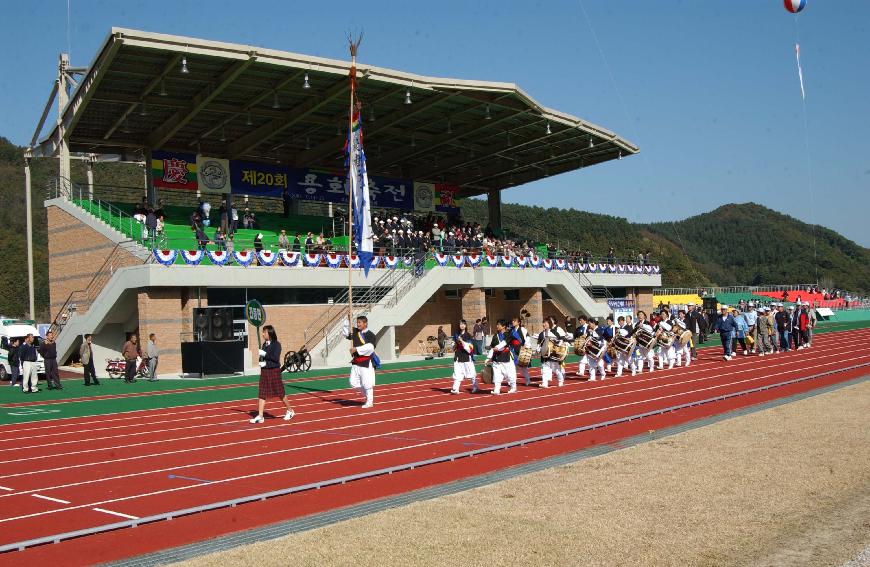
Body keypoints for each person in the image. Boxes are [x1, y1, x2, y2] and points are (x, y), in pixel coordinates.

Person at [250, 325, 295, 423]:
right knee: (262, 392)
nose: (262, 334)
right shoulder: (264, 345)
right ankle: (261, 416)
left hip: (274, 371)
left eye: (264, 332)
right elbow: (263, 358)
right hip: (265, 371)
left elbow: (275, 358)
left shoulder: (277, 345)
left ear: (270, 333)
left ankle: (290, 410)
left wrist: (265, 356)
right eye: (262, 332)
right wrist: (261, 361)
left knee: (280, 393)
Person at [345, 315, 377, 408]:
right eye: (357, 322)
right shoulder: (355, 331)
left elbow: (370, 347)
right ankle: (367, 397)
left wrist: (356, 349)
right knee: (353, 382)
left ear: (365, 323)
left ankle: (369, 402)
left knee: (367, 383)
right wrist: (348, 319)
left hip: (365, 362)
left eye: (360, 322)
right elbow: (346, 332)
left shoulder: (371, 335)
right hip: (356, 362)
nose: (358, 324)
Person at [486, 320, 516, 395]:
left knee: (509, 374)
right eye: (497, 324)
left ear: (503, 326)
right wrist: (488, 357)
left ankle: (513, 387)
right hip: (496, 358)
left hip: (506, 357)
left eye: (499, 325)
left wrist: (498, 347)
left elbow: (505, 343)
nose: (497, 326)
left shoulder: (508, 334)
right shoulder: (495, 336)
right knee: (496, 374)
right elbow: (492, 347)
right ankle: (496, 389)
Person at [450, 320, 477, 394]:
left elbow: (470, 348)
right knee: (457, 372)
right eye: (460, 324)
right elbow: (452, 345)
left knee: (471, 372)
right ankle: (456, 388)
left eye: (463, 324)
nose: (462, 325)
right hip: (458, 355)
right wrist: (454, 345)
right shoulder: (456, 335)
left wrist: (462, 341)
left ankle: (474, 386)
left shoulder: (468, 335)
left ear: (465, 325)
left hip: (466, 356)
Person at [538, 318, 566, 388]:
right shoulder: (541, 334)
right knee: (544, 369)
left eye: (545, 323)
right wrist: (538, 349)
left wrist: (556, 344)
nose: (544, 324)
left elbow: (560, 340)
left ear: (549, 324)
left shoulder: (554, 332)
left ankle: (561, 380)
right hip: (545, 355)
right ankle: (545, 383)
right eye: (543, 323)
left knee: (556, 369)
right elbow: (539, 343)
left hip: (553, 354)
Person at [509, 317, 532, 387]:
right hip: (514, 350)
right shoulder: (511, 330)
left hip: (521, 349)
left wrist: (525, 345)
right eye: (512, 321)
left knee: (523, 367)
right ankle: (512, 381)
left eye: (515, 321)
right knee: (513, 367)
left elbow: (528, 337)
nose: (513, 322)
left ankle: (527, 380)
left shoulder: (522, 329)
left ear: (518, 322)